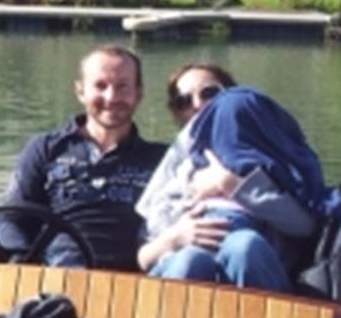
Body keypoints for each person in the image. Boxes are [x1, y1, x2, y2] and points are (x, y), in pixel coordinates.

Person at [136, 63, 324, 291]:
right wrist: (176, 236)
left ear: (232, 96)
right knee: (190, 260)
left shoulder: (266, 155)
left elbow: (306, 226)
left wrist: (232, 184)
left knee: (244, 245)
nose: (198, 105)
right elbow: (144, 257)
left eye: (210, 93)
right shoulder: (177, 165)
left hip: (253, 267)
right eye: (183, 102)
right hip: (183, 264)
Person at [0, 45, 167, 271]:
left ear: (139, 93)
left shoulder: (161, 160)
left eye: (123, 86)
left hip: (131, 286)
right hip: (56, 274)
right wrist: (20, 262)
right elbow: (10, 219)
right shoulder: (45, 148)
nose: (111, 97)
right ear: (80, 91)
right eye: (100, 86)